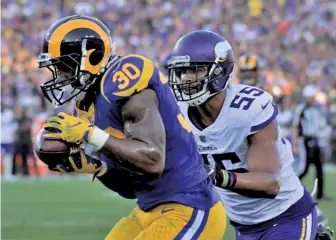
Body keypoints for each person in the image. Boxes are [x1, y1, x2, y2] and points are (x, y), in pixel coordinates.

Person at [38, 15, 226, 240]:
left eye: (64, 66)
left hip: (189, 206)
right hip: (148, 209)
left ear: (92, 56)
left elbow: (153, 161)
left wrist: (89, 133)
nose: (62, 76)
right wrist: (95, 167)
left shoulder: (124, 76)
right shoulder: (88, 104)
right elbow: (129, 188)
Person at [168, 30, 318, 240]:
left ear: (219, 73)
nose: (185, 78)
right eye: (182, 71)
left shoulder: (248, 108)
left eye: (196, 70)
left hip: (287, 216)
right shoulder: (178, 111)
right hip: (243, 226)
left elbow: (270, 183)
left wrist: (218, 175)